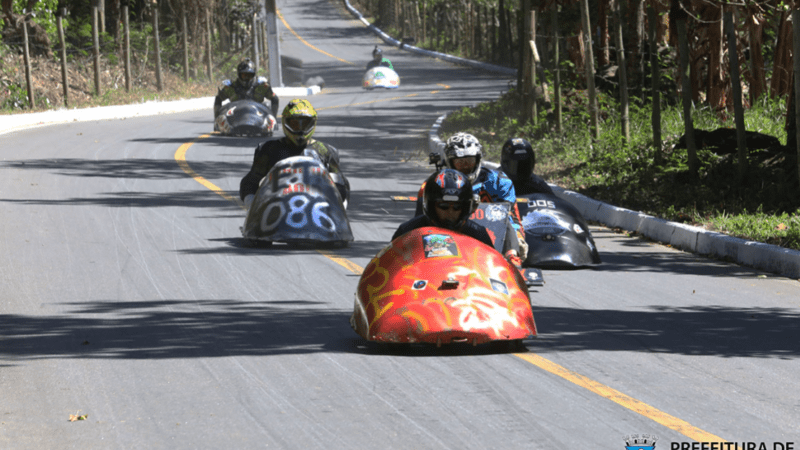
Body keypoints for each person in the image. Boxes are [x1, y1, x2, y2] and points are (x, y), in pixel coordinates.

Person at [416, 132, 529, 261]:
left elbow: (511, 217)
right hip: (443, 240)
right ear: (449, 162)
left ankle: (513, 261)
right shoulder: (432, 184)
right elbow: (420, 221)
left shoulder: (500, 182)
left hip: (488, 241)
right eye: (460, 162)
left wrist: (518, 239)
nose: (465, 166)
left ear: (478, 160)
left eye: (469, 161)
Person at [395, 168, 523, 266]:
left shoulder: (478, 233)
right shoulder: (408, 230)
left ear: (466, 207)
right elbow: (389, 264)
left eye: (457, 207)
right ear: (431, 205)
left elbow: (491, 267)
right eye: (444, 206)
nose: (450, 212)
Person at [239, 99, 348, 209]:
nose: (300, 129)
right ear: (285, 123)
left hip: (317, 212)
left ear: (313, 123)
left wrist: (338, 206)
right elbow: (251, 182)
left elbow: (341, 185)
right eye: (295, 124)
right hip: (277, 212)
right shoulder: (268, 149)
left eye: (305, 124)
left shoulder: (326, 151)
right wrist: (252, 204)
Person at [214, 59, 279, 122]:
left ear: (253, 75)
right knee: (225, 109)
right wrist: (217, 119)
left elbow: (275, 98)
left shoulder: (262, 86)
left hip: (257, 118)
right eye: (244, 75)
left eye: (249, 75)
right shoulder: (231, 87)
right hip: (236, 119)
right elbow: (218, 98)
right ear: (239, 75)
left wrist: (273, 118)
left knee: (266, 105)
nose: (247, 78)